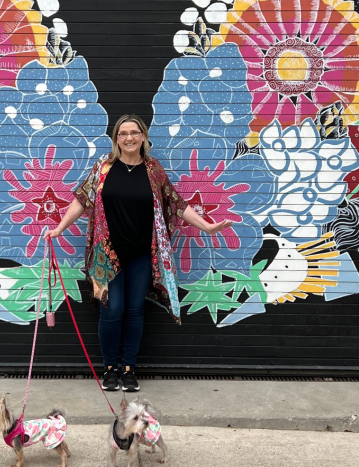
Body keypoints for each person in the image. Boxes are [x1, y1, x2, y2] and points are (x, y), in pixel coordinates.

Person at [45, 113, 233, 393]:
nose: (129, 138)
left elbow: (177, 203)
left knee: (134, 311)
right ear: (116, 139)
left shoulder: (153, 170)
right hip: (106, 254)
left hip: (142, 255)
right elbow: (82, 199)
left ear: (143, 137)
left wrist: (207, 227)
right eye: (123, 133)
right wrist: (59, 228)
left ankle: (129, 369)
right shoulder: (103, 168)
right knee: (112, 309)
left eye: (134, 132)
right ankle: (110, 369)